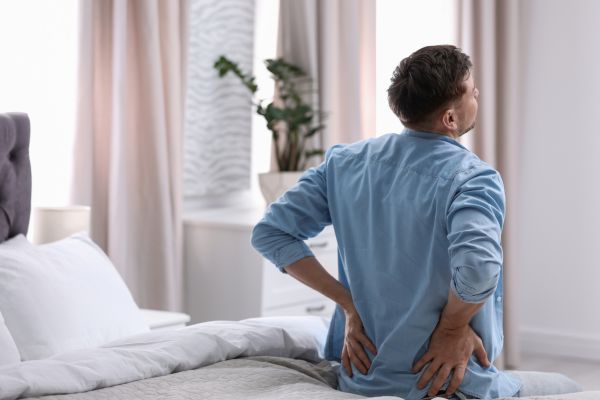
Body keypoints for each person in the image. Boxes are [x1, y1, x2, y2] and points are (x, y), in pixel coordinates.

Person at [251, 45, 581, 399]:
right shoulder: (473, 178)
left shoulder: (343, 163)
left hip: (361, 380)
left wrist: (349, 303)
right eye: (472, 90)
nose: (478, 95)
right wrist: (452, 330)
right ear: (450, 119)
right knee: (568, 386)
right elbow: (479, 269)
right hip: (449, 383)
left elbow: (271, 233)